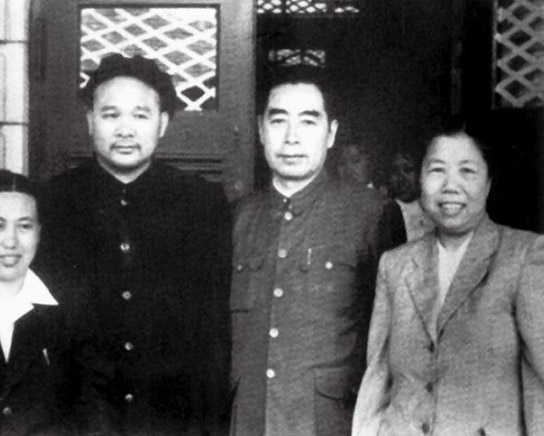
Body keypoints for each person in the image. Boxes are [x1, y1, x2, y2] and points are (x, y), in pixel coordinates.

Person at [36, 54, 231, 435]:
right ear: (90, 120)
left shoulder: (202, 203)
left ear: (163, 123)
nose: (125, 130)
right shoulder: (53, 202)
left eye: (140, 115)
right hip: (79, 420)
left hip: (172, 420)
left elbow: (215, 332)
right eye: (110, 115)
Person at [229, 65, 402, 436]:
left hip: (331, 424)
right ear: (260, 129)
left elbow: (395, 345)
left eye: (308, 121)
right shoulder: (237, 218)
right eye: (279, 121)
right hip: (248, 422)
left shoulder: (371, 215)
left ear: (331, 133)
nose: (292, 138)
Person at [352, 131, 544, 436]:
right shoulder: (395, 265)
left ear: (488, 183)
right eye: (437, 170)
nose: (450, 186)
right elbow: (377, 379)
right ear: (421, 180)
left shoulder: (523, 256)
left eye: (467, 171)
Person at [0, 169, 93, 436]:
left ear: (39, 233)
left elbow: (92, 415)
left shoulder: (73, 311)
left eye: (24, 226)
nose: (11, 242)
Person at [387, 150, 434, 241]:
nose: (401, 178)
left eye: (408, 170)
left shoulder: (433, 210)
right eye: (395, 171)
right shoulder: (389, 214)